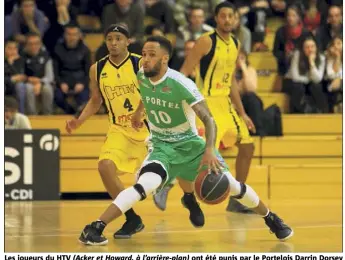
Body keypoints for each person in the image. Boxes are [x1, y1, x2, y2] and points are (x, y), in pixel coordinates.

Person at [78, 36, 293, 246]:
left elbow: (209, 119)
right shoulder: (142, 74)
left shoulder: (181, 83)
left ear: (165, 59)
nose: (145, 59)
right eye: (143, 54)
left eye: (151, 55)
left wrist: (209, 149)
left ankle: (271, 218)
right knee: (144, 186)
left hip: (193, 147)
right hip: (161, 147)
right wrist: (138, 112)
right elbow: (145, 94)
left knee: (233, 185)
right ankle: (95, 227)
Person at [154, 2, 256, 214]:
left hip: (225, 104)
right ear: (216, 19)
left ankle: (236, 200)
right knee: (198, 152)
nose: (227, 20)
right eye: (223, 16)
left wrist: (243, 113)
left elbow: (231, 83)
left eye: (231, 16)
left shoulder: (236, 43)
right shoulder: (205, 42)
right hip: (205, 102)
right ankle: (166, 185)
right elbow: (183, 72)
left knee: (247, 147)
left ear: (236, 19)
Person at [66, 24, 149, 239]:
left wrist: (140, 112)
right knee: (104, 167)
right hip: (119, 129)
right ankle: (132, 218)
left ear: (128, 41)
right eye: (110, 38)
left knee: (153, 183)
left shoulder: (140, 63)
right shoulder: (97, 68)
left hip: (148, 129)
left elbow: (153, 92)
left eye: (118, 38)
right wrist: (79, 121)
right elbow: (96, 100)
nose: (113, 43)